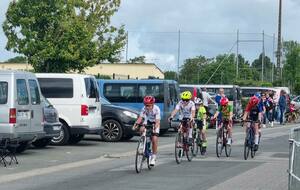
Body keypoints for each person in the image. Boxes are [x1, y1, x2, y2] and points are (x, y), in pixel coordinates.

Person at [133, 95, 161, 166]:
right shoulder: (144, 109)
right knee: (141, 129)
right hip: (147, 121)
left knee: (154, 139)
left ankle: (154, 157)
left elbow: (157, 121)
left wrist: (155, 128)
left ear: (152, 104)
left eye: (148, 105)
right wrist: (136, 124)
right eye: (145, 105)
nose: (147, 107)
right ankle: (144, 144)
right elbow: (140, 118)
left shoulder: (156, 109)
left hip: (155, 122)